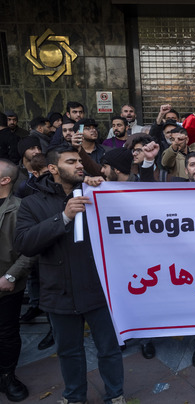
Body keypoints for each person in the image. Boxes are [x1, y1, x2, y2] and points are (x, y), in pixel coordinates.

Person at [14, 144, 126, 404]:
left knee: (109, 349)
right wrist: (62, 218)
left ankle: (116, 394)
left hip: (98, 288)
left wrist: (105, 187)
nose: (79, 165)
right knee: (68, 351)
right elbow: (24, 243)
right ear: (53, 168)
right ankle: (74, 396)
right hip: (58, 290)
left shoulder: (95, 194)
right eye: (70, 161)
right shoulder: (32, 203)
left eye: (79, 161)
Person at [0, 158, 36, 402]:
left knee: (7, 333)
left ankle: (6, 376)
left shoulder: (21, 208)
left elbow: (32, 248)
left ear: (5, 180)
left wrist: (11, 275)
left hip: (5, 286)